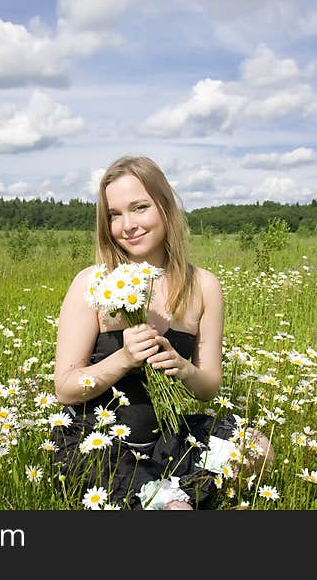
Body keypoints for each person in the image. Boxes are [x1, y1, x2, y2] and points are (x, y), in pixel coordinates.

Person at [53, 155, 274, 510]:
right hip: (98, 438)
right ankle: (169, 497)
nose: (127, 225)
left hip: (168, 434)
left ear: (165, 206)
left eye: (139, 208)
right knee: (175, 507)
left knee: (258, 450)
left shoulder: (203, 286)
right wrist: (124, 358)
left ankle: (177, 490)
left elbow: (209, 387)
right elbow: (65, 389)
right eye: (114, 214)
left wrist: (183, 368)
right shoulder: (93, 284)